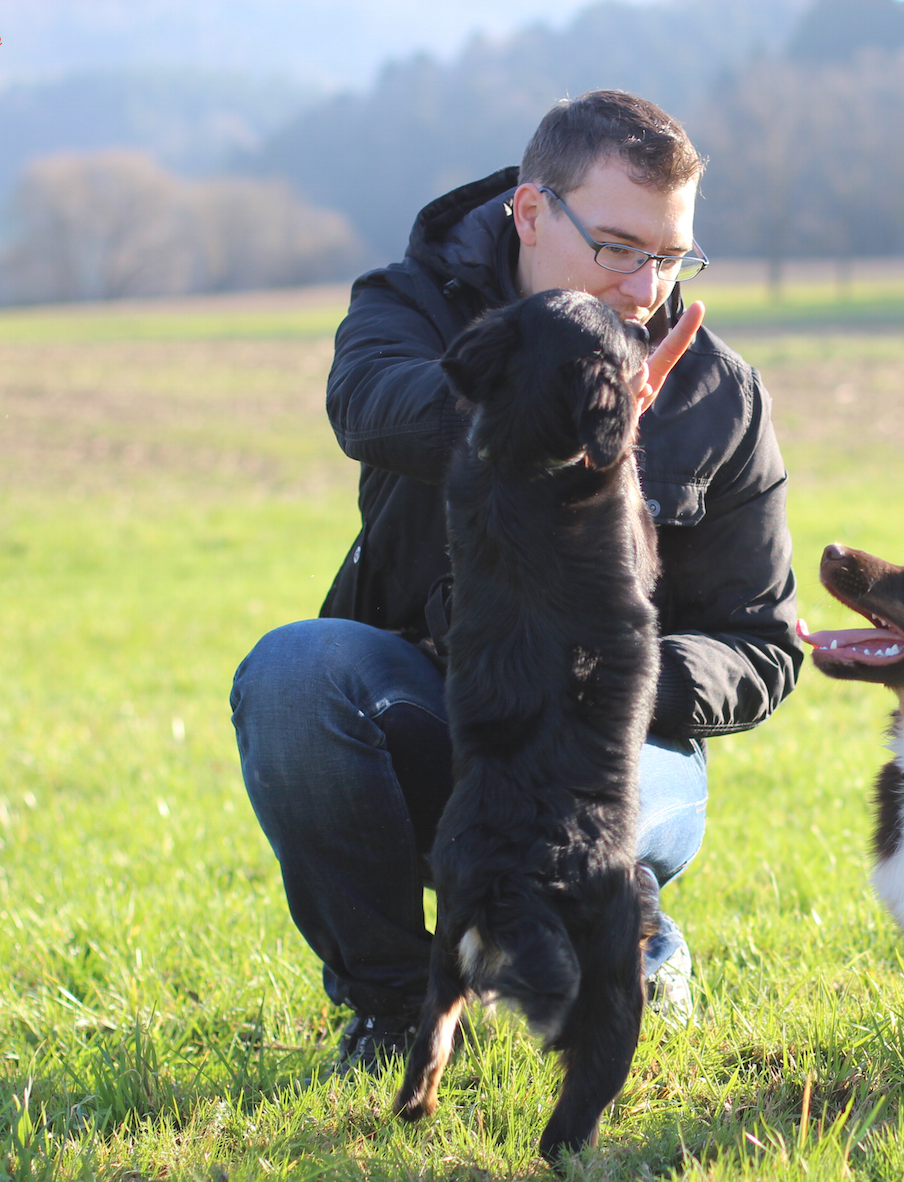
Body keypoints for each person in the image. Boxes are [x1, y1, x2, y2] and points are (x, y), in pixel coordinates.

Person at [229, 90, 802, 1072]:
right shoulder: (410, 306)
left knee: (617, 822)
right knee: (293, 674)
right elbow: (369, 406)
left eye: (671, 257)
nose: (645, 288)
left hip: (616, 750)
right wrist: (546, 407)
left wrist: (602, 679)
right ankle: (394, 1005)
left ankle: (634, 940)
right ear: (530, 214)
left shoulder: (716, 393)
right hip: (434, 703)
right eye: (619, 246)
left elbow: (762, 643)